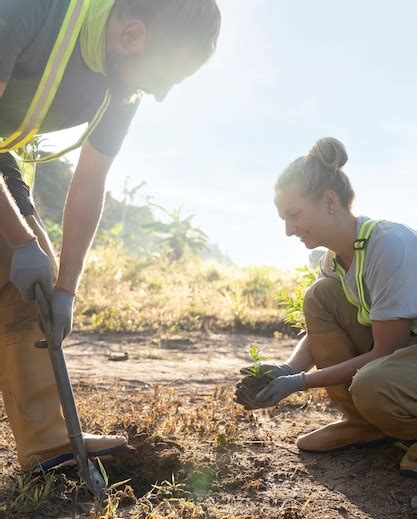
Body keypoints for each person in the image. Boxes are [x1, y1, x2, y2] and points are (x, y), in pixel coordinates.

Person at [0, 0, 221, 471]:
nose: (158, 94)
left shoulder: (122, 91)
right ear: (131, 35)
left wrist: (65, 291)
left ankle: (46, 443)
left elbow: (88, 185)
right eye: (162, 78)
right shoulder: (27, 13)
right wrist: (18, 241)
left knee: (29, 285)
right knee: (16, 243)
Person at [235, 137, 417, 476]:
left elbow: (385, 352)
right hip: (405, 355)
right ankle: (365, 424)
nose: (289, 230)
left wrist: (301, 383)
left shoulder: (389, 245)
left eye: (294, 215)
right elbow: (320, 329)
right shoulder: (334, 260)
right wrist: (288, 369)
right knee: (319, 296)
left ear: (329, 200)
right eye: (282, 219)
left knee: (372, 382)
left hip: (402, 354)